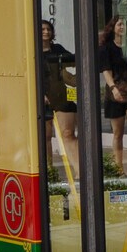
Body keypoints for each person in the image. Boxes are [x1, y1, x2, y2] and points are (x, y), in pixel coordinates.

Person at [37, 20, 80, 182]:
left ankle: (79, 171)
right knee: (45, 137)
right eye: (42, 29)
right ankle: (50, 173)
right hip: (43, 98)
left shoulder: (58, 49)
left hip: (61, 96)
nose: (46, 32)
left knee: (68, 134)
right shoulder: (33, 50)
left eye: (48, 29)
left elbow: (74, 61)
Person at [98, 15, 127, 177]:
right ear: (112, 27)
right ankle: (118, 168)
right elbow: (106, 70)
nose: (122, 27)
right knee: (118, 133)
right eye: (119, 24)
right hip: (116, 92)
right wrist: (113, 88)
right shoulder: (106, 48)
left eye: (124, 25)